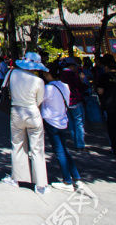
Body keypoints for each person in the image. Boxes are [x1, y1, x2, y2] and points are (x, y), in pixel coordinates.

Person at [2, 52, 49, 194]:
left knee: (17, 145)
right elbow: (40, 100)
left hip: (16, 111)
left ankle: (17, 178)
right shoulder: (38, 81)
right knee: (37, 149)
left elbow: (4, 87)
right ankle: (40, 184)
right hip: (33, 112)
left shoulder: (12, 74)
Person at [41, 63, 83, 192]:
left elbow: (38, 101)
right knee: (64, 149)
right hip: (63, 121)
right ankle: (75, 176)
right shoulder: (64, 86)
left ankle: (67, 181)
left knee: (59, 151)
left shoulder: (48, 88)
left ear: (48, 74)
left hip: (51, 121)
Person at [60, 57, 88, 152]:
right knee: (79, 123)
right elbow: (79, 86)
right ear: (71, 66)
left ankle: (76, 143)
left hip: (66, 102)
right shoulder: (72, 74)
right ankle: (80, 145)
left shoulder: (60, 74)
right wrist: (82, 80)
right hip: (75, 100)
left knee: (71, 123)